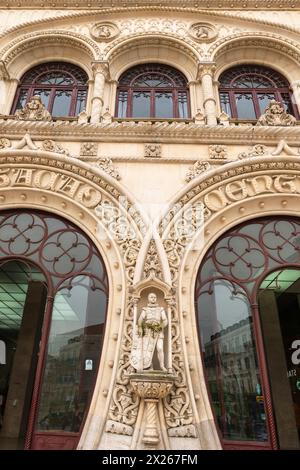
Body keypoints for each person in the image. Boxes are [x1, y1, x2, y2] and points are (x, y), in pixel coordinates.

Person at [130, 292, 168, 372]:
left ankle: (162, 366)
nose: (153, 298)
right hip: (148, 332)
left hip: (158, 331)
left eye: (154, 297)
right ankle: (148, 365)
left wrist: (159, 327)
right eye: (151, 297)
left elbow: (165, 321)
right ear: (148, 299)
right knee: (146, 349)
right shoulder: (145, 309)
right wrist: (140, 327)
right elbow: (140, 320)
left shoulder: (160, 309)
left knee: (160, 348)